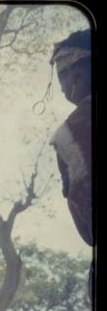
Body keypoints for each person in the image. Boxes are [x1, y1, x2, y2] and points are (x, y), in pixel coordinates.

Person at [49, 29, 93, 297]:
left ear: (75, 77)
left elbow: (88, 227)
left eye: (61, 80)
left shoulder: (73, 130)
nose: (63, 89)